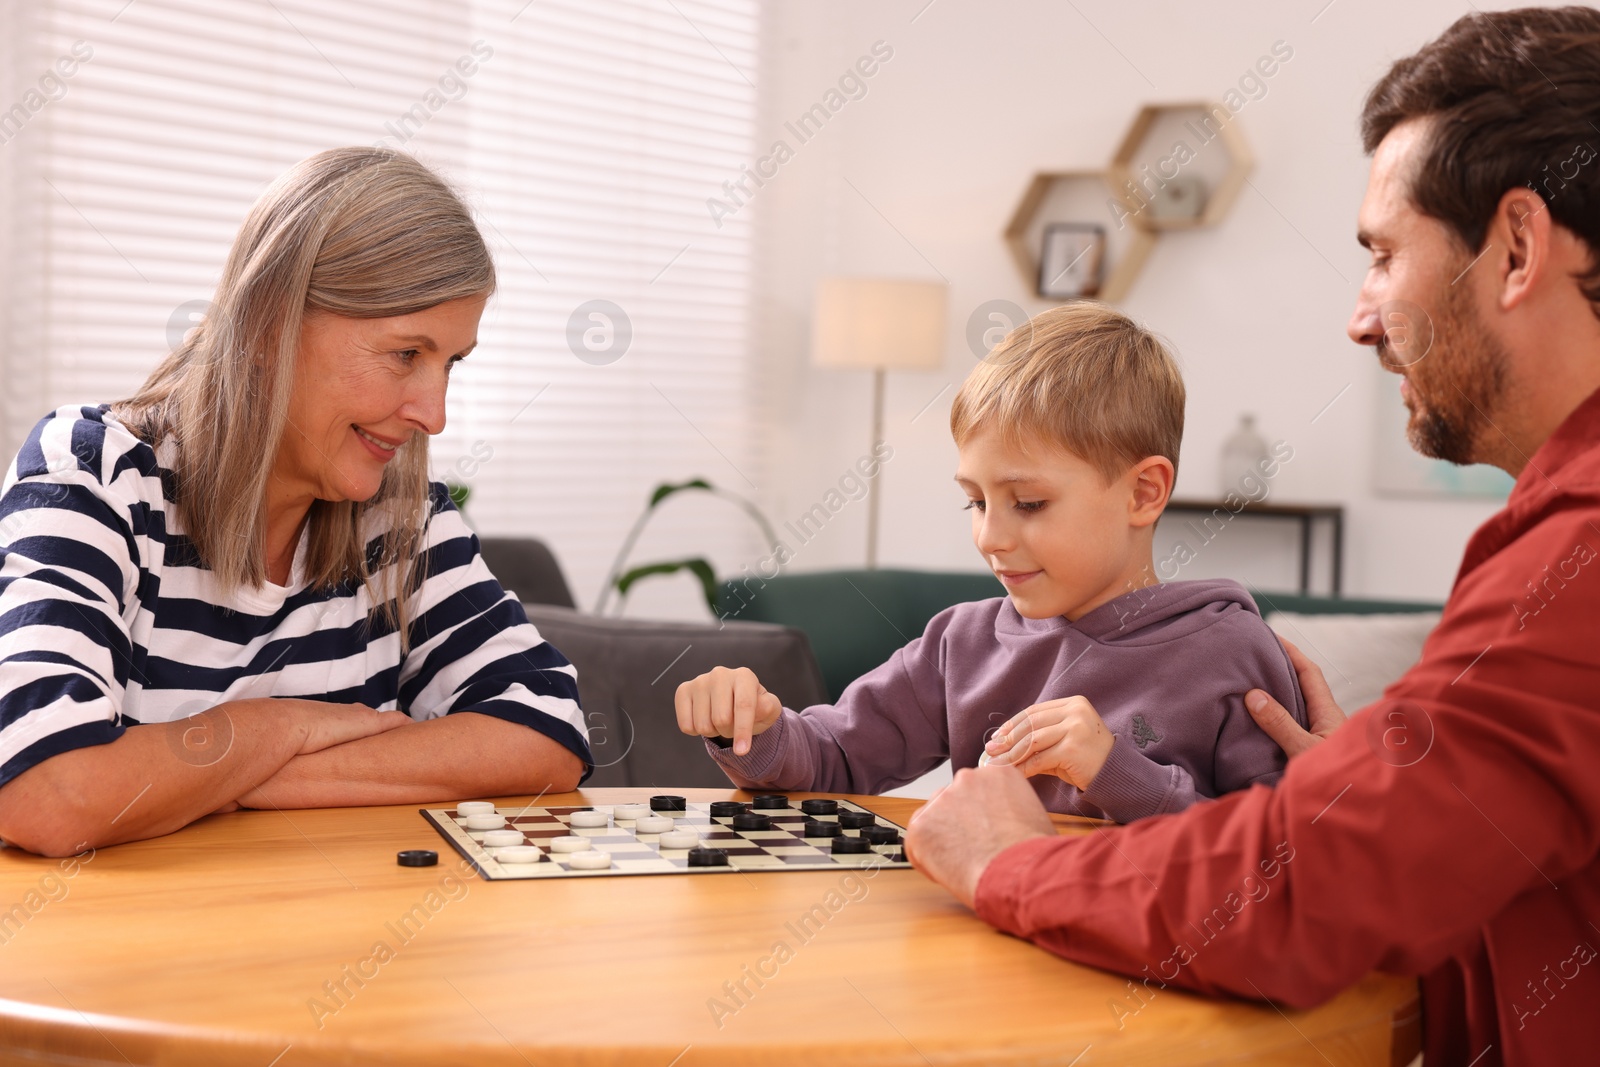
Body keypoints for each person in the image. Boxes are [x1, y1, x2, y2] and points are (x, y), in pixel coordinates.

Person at [904, 8, 1600, 1065]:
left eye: (1379, 255)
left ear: (1514, 248)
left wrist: (1010, 865)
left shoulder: (1576, 551)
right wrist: (1398, 811)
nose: (1360, 317)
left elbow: (1292, 894)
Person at [0, 147, 591, 858]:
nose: (433, 414)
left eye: (450, 363)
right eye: (407, 353)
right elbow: (44, 790)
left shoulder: (397, 517)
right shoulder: (94, 474)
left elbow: (547, 729)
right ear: (270, 326)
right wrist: (271, 729)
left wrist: (219, 777)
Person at [675, 304, 1306, 822]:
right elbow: (832, 758)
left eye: (1028, 503)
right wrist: (756, 728)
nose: (989, 537)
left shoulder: (1233, 656)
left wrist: (1115, 773)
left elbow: (1275, 861)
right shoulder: (962, 644)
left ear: (1143, 492)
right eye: (974, 502)